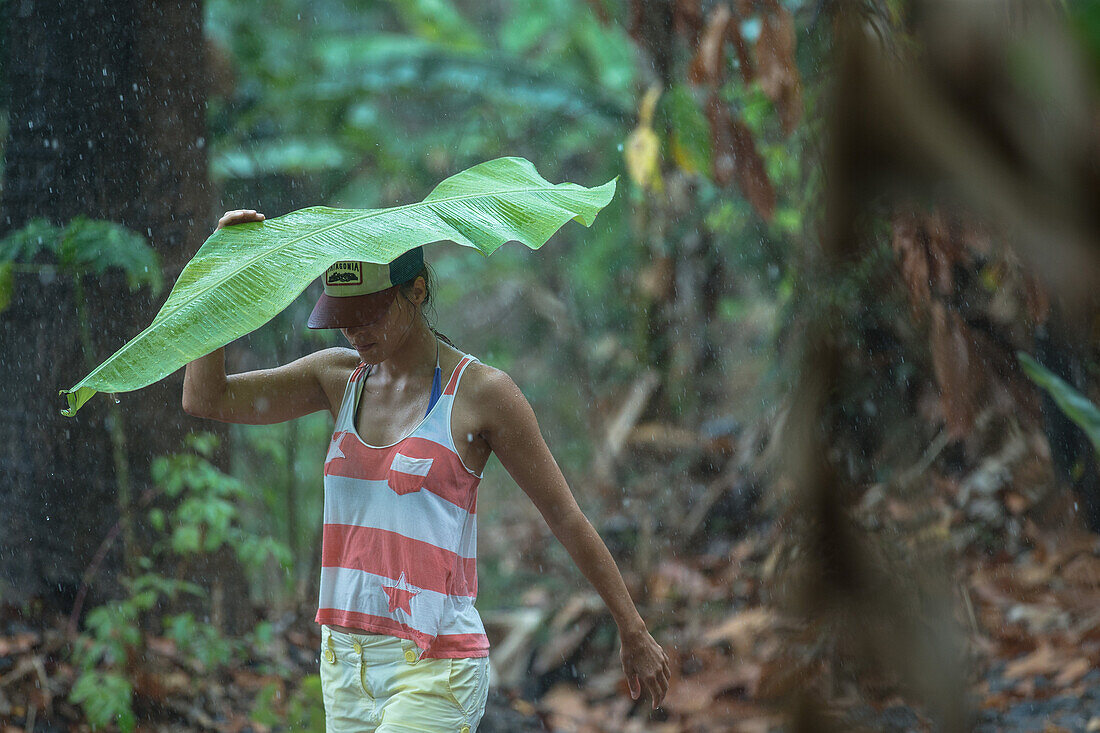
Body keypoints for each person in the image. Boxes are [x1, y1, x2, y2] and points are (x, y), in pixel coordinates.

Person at [183, 209, 671, 732]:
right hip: (344, 661)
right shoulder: (337, 377)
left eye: (369, 312)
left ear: (415, 290)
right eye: (343, 315)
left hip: (435, 662)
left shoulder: (482, 393)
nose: (353, 330)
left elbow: (565, 516)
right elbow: (206, 397)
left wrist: (633, 627)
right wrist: (218, 274)